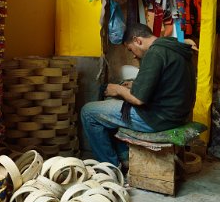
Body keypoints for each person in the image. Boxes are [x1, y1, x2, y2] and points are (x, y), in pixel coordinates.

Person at [81, 23, 196, 167]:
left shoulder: (154, 53)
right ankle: (125, 158)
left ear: (138, 41)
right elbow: (168, 84)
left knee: (89, 111)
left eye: (131, 49)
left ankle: (109, 168)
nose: (134, 56)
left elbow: (138, 99)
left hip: (160, 119)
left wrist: (118, 89)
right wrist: (135, 85)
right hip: (179, 115)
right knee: (112, 107)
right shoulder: (173, 48)